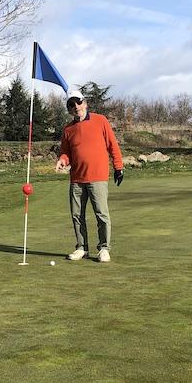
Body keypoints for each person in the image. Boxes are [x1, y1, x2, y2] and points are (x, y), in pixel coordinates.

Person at [55, 88, 124, 262]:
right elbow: (65, 152)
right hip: (77, 179)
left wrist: (118, 167)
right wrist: (62, 160)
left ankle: (104, 248)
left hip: (98, 177)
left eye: (78, 102)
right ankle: (81, 247)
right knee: (77, 215)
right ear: (69, 109)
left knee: (101, 214)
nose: (76, 106)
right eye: (71, 105)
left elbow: (112, 145)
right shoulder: (68, 129)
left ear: (85, 103)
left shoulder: (100, 120)